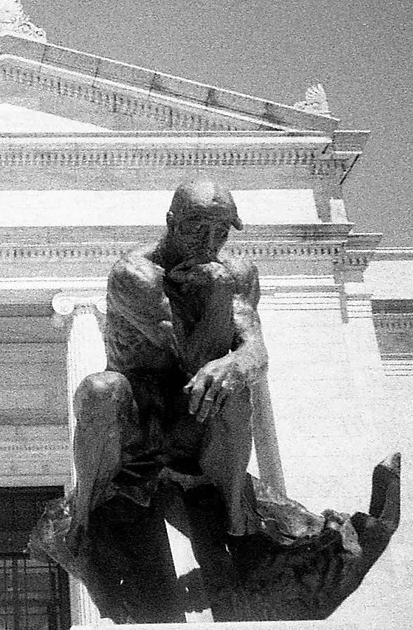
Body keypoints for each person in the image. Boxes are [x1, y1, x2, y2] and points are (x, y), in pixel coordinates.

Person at [69, 176, 267, 541]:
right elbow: (190, 359)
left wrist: (235, 364)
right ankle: (85, 509)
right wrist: (218, 291)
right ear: (171, 221)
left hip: (191, 414)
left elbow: (255, 352)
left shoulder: (237, 273)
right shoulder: (136, 275)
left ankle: (235, 508)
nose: (209, 244)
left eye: (221, 233)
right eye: (197, 229)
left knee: (232, 387)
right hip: (136, 417)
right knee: (100, 388)